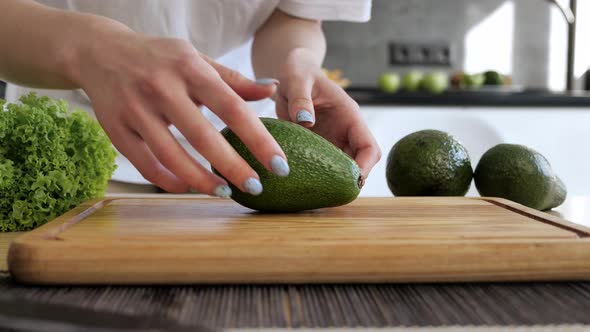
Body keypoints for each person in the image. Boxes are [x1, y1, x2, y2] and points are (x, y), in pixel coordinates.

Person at [0, 0, 381, 197]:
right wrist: (89, 50)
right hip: (74, 151)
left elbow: (294, 16)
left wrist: (296, 64)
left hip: (246, 160)